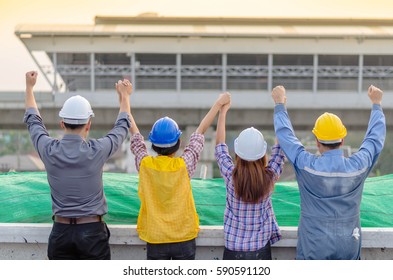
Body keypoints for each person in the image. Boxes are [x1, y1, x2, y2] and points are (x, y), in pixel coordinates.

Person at [24, 71, 132, 259]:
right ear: (88, 125)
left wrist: (29, 87)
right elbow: (122, 126)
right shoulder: (97, 151)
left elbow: (33, 122)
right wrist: (124, 97)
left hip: (60, 232)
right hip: (92, 233)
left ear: (62, 123)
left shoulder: (49, 150)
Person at [271, 85, 386, 260]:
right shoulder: (358, 167)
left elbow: (287, 138)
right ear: (343, 139)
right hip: (349, 248)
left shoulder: (306, 166)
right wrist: (376, 104)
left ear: (317, 141)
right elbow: (374, 140)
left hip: (313, 251)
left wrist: (280, 105)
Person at [129, 90, 231, 260]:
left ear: (153, 145)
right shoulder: (184, 165)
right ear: (179, 142)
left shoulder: (145, 165)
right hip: (184, 237)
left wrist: (124, 98)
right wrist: (219, 104)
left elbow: (135, 137)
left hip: (155, 238)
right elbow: (200, 132)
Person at [215, 99, 285, 260]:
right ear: (262, 154)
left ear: (238, 154)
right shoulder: (269, 177)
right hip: (261, 250)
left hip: (233, 251)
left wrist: (223, 112)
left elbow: (220, 147)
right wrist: (280, 105)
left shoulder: (230, 175)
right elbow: (280, 148)